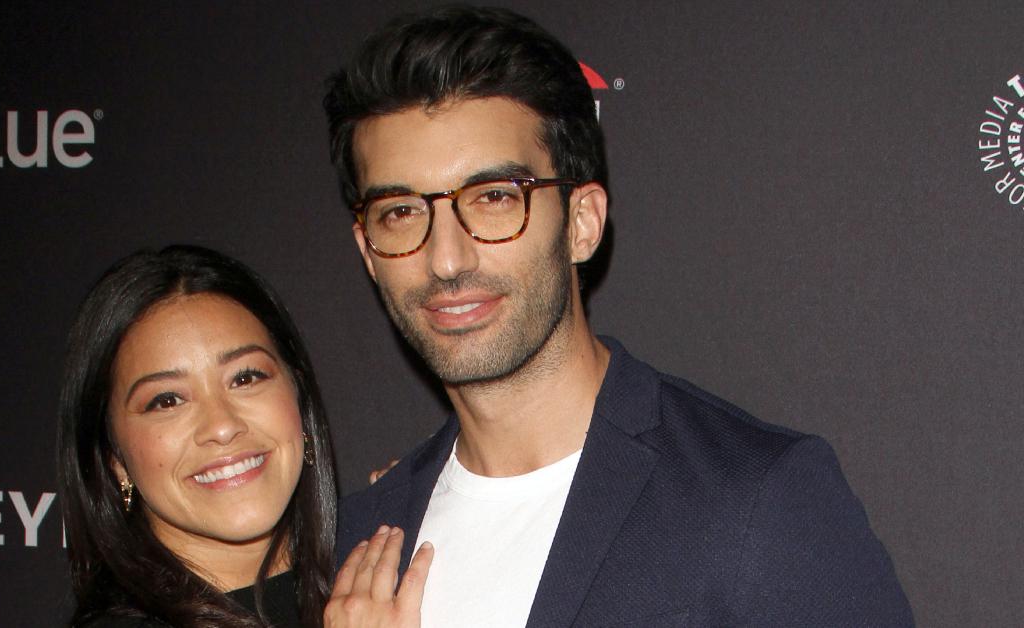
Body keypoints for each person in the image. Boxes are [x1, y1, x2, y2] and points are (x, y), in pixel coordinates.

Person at [323, 5, 914, 627]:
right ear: (368, 252)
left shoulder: (755, 500)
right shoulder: (364, 535)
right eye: (400, 213)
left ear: (582, 224)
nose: (446, 259)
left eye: (495, 199)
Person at [57, 245, 338, 628]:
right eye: (166, 400)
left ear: (298, 394)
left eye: (245, 377)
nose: (221, 426)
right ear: (115, 458)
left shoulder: (383, 570)